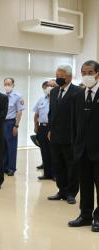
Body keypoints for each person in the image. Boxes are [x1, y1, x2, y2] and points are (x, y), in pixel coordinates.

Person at [69, 60, 99, 231]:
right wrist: (75, 146)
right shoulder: (78, 96)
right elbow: (75, 124)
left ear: (97, 74)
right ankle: (85, 215)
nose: (86, 76)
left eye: (90, 72)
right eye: (83, 73)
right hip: (81, 150)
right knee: (85, 184)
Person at [47, 65, 80, 204]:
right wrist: (50, 129)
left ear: (69, 77)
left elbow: (79, 116)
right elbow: (52, 113)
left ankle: (71, 192)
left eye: (61, 76)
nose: (58, 78)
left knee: (71, 165)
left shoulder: (77, 91)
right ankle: (61, 190)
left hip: (70, 136)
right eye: (56, 75)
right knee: (57, 164)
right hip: (55, 135)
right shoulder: (54, 91)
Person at [3, 78, 25, 176]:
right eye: (5, 84)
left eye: (9, 84)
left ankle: (11, 168)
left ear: (13, 85)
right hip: (1, 123)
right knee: (2, 146)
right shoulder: (2, 96)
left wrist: (16, 125)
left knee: (11, 146)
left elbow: (19, 112)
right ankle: (4, 167)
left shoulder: (17, 97)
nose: (7, 86)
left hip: (11, 123)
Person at [33, 81, 54, 181]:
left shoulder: (57, 99)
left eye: (52, 86)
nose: (49, 87)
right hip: (42, 128)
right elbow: (36, 114)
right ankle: (47, 173)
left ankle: (54, 174)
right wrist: (36, 126)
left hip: (52, 128)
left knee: (53, 152)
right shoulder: (41, 100)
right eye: (48, 86)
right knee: (44, 151)